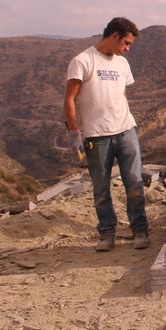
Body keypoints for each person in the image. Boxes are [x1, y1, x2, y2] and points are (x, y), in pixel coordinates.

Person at [64, 17, 148, 252]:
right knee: (101, 188)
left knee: (134, 182)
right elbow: (69, 99)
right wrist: (74, 133)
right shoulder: (82, 61)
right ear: (114, 36)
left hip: (125, 130)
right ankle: (107, 233)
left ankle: (139, 229)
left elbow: (121, 94)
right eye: (126, 43)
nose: (127, 48)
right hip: (97, 135)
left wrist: (126, 118)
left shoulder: (121, 64)